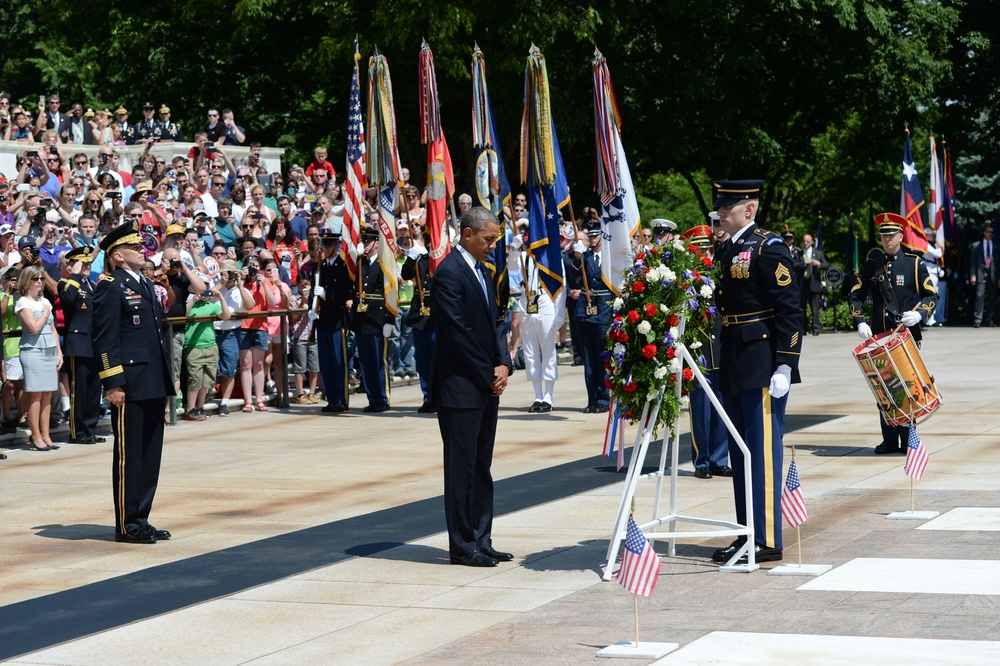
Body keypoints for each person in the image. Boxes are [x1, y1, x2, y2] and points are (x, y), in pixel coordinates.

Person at [710, 179, 802, 565]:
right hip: (732, 355)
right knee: (740, 449)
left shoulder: (768, 247)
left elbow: (790, 309)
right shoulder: (726, 249)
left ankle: (766, 538)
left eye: (727, 209)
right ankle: (746, 531)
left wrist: (786, 362)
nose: (721, 215)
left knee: (762, 450)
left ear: (748, 209)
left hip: (762, 360)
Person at [431, 206, 513, 567]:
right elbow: (458, 334)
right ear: (467, 234)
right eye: (488, 239)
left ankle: (482, 537)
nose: (492, 246)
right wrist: (488, 373)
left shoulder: (483, 271)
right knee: (461, 470)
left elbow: (496, 321)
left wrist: (505, 364)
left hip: (485, 384)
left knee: (482, 466)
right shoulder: (448, 274)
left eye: (494, 239)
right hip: (461, 388)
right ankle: (463, 545)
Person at [92, 219, 174, 543]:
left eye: (141, 245)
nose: (142, 250)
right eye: (134, 247)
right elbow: (104, 341)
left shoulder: (144, 283)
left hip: (152, 379)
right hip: (129, 383)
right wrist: (112, 382)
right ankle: (127, 524)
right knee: (130, 455)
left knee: (150, 454)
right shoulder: (110, 287)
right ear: (117, 256)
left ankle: (141, 516)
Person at [848, 213, 938, 454]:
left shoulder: (913, 263)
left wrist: (919, 314)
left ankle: (909, 438)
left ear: (900, 236)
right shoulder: (871, 265)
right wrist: (859, 321)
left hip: (906, 336)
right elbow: (855, 295)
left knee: (906, 386)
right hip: (878, 335)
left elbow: (931, 295)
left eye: (891, 235)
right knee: (884, 387)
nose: (887, 239)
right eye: (883, 235)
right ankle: (889, 439)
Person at [680, 225, 731, 479]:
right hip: (698, 350)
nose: (703, 253)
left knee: (721, 403)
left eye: (705, 247)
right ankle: (702, 461)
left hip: (720, 344)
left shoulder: (717, 270)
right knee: (700, 407)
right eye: (698, 248)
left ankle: (719, 459)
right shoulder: (685, 276)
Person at [508, 234, 566, 412]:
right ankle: (538, 395)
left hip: (545, 301)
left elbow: (562, 287)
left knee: (548, 350)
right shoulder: (524, 256)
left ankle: (548, 396)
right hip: (527, 301)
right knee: (530, 352)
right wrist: (513, 249)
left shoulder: (552, 258)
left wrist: (559, 315)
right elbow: (511, 266)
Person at [58, 246, 106, 444]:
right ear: (71, 265)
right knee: (79, 390)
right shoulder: (67, 284)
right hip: (77, 343)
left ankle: (89, 428)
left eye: (88, 263)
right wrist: (75, 274)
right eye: (82, 263)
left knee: (94, 389)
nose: (87, 266)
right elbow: (68, 299)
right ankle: (77, 432)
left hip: (92, 343)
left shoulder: (91, 285)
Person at [16, 265, 64, 451]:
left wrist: (59, 352)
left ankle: (46, 435)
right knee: (35, 394)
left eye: (41, 279)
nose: (39, 282)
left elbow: (52, 329)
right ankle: (35, 435)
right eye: (35, 279)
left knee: (47, 394)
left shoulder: (45, 301)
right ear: (27, 282)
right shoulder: (23, 303)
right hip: (33, 351)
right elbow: (34, 328)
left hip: (49, 351)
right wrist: (44, 313)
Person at [572, 220, 612, 413]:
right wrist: (576, 254)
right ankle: (592, 399)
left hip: (603, 308)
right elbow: (572, 274)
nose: (592, 239)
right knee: (588, 358)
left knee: (602, 356)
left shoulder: (610, 258)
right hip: (585, 309)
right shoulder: (583, 257)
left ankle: (604, 399)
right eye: (590, 236)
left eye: (595, 236)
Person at [351, 225, 393, 413]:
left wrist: (390, 319)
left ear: (377, 243)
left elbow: (391, 293)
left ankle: (383, 399)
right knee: (366, 362)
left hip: (377, 319)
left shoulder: (385, 264)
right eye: (364, 241)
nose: (365, 244)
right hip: (362, 319)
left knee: (378, 362)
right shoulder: (360, 264)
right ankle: (372, 398)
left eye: (368, 241)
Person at [182, 280, 231, 421]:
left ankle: (200, 406)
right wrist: (194, 299)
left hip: (210, 346)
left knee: (207, 379)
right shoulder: (190, 304)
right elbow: (183, 315)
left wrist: (220, 298)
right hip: (193, 347)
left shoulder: (211, 306)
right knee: (195, 378)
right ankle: (191, 409)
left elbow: (226, 316)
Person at [400, 238, 436, 413]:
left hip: (437, 315)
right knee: (423, 361)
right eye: (428, 242)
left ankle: (440, 396)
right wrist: (410, 259)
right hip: (419, 314)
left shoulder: (445, 261)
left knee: (438, 359)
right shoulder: (419, 260)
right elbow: (405, 275)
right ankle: (428, 396)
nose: (431, 245)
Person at [799, 233, 828, 336]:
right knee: (802, 308)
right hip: (802, 284)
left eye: (807, 241)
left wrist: (818, 264)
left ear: (811, 242)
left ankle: (816, 329)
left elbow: (826, 265)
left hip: (814, 283)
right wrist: (804, 263)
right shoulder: (799, 253)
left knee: (815, 309)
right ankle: (803, 329)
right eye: (804, 241)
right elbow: (794, 265)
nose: (805, 243)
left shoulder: (818, 253)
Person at [969, 224, 997, 328]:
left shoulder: (996, 246)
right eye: (989, 232)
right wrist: (973, 275)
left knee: (992, 298)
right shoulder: (976, 245)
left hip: (993, 275)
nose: (991, 234)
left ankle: (989, 320)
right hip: (980, 274)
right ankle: (977, 320)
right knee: (979, 296)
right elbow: (973, 262)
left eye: (992, 232)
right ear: (984, 232)